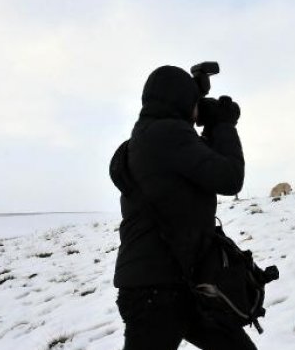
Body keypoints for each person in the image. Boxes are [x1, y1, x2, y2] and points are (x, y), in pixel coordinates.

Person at [109, 65, 256, 349]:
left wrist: (213, 125)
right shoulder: (167, 134)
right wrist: (223, 125)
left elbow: (202, 163)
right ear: (181, 100)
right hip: (155, 291)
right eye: (194, 103)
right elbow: (229, 178)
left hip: (176, 284)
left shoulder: (152, 137)